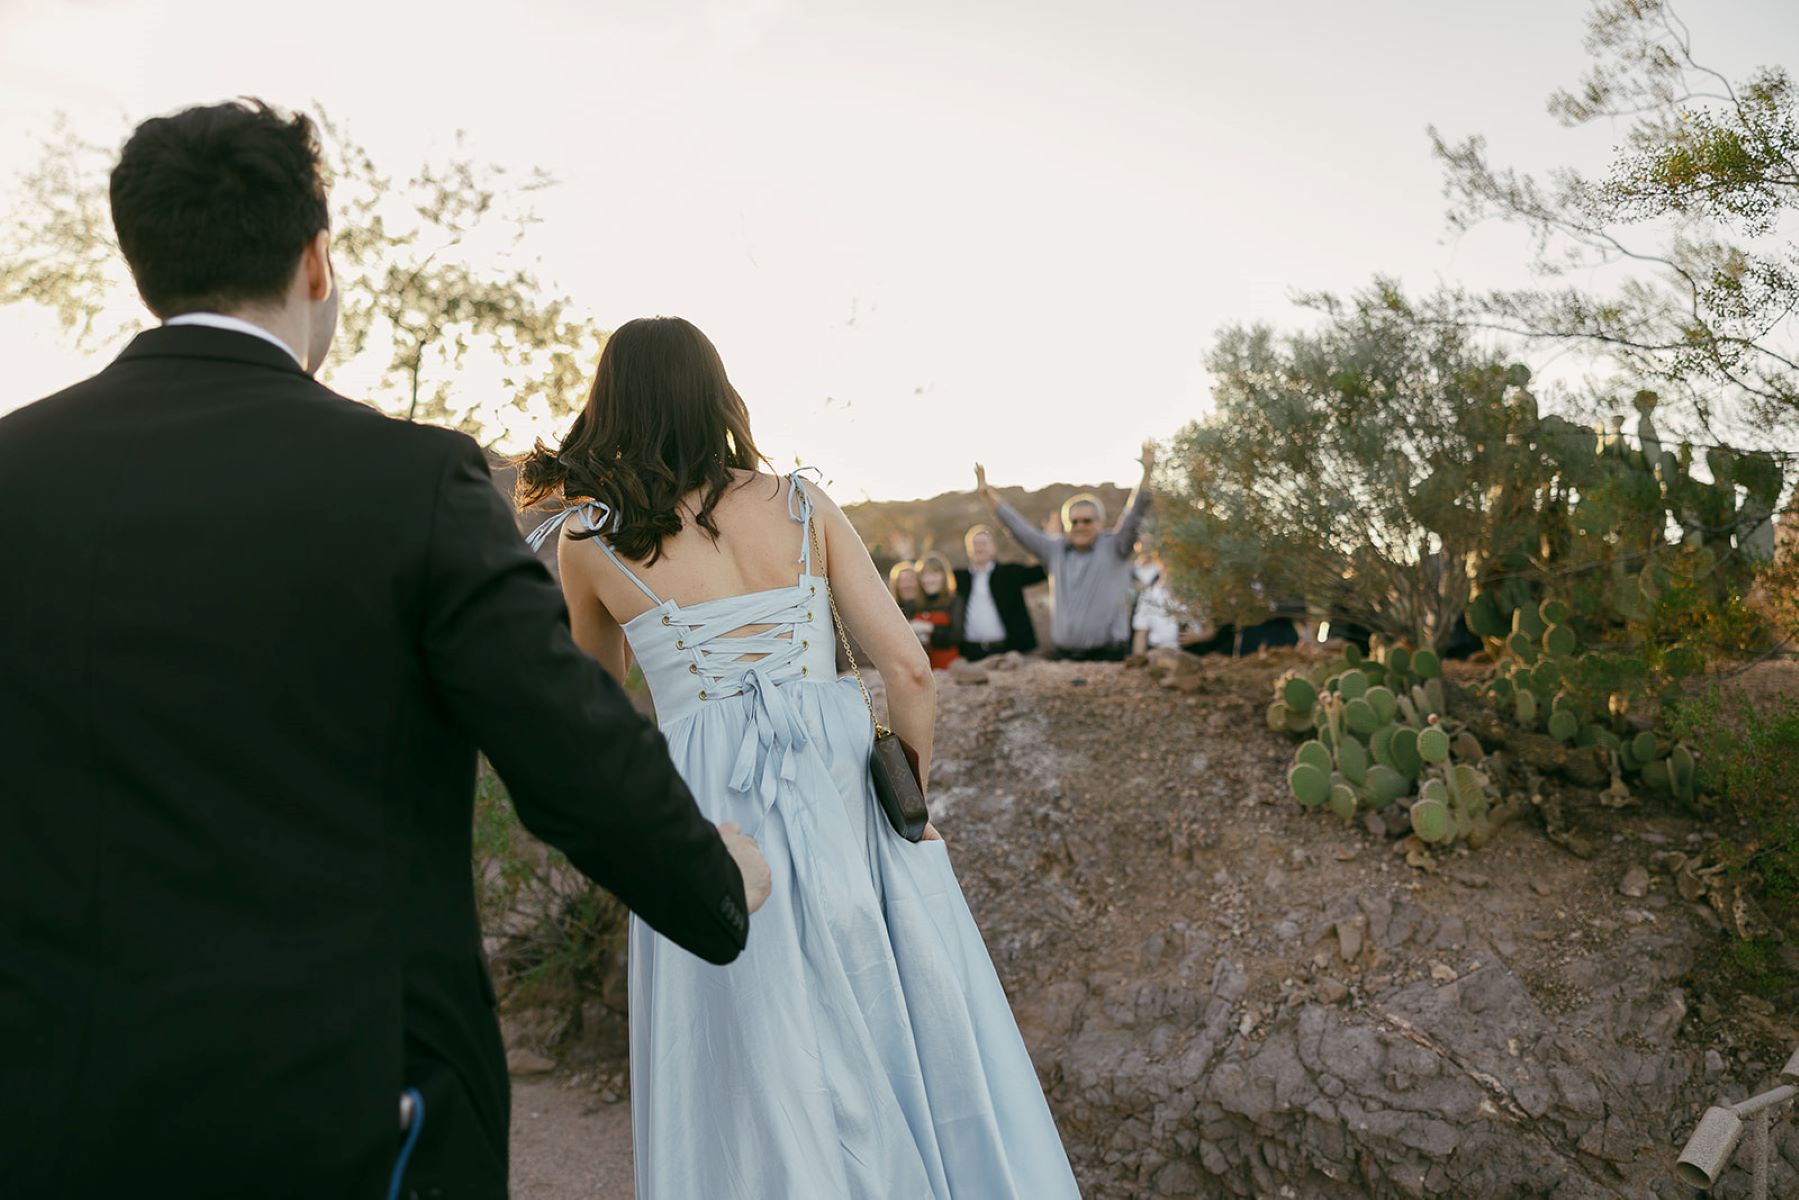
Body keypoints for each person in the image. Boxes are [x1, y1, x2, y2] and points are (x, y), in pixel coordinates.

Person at [0, 100, 770, 1200]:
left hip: (47, 1112)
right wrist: (715, 879)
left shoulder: (14, 475)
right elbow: (567, 745)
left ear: (141, 264)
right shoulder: (410, 483)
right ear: (316, 262)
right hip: (351, 1115)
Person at [520, 316, 1080, 1200]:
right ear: (718, 394)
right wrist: (907, 808)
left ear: (610, 400)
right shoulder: (798, 503)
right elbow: (907, 671)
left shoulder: (590, 540)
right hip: (838, 789)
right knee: (886, 1019)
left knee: (747, 1041)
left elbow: (599, 718)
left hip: (706, 808)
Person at [976, 442, 1156, 661]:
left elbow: (1135, 513)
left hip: (1109, 658)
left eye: (1087, 520)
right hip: (1064, 658)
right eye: (1073, 521)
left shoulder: (1116, 547)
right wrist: (987, 495)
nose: (1080, 526)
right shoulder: (1054, 550)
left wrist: (1147, 472)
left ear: (1101, 522)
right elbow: (1018, 528)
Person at [953, 524, 1046, 660]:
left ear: (993, 548)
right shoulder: (957, 578)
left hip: (1008, 651)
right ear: (968, 550)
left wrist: (1048, 541)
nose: (979, 548)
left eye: (983, 543)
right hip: (970, 653)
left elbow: (1043, 570)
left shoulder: (1010, 573)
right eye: (975, 544)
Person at [913, 551, 963, 669]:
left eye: (934, 574)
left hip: (948, 667)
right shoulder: (915, 603)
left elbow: (955, 636)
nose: (929, 580)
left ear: (944, 576)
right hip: (920, 668)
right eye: (924, 574)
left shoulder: (954, 601)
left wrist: (928, 628)